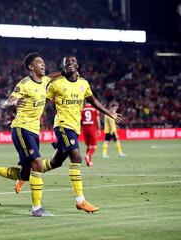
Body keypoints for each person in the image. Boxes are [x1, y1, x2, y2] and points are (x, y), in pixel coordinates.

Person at [16, 55, 122, 213]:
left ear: (77, 65)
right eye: (67, 62)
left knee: (56, 162)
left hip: (75, 128)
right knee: (76, 157)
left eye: (73, 61)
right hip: (62, 126)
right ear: (63, 67)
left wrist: (108, 113)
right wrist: (28, 117)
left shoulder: (83, 84)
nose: (70, 64)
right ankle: (80, 200)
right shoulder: (57, 84)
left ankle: (27, 175)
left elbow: (93, 101)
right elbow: (41, 101)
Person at [0, 52, 54, 217]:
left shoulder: (45, 80)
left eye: (43, 62)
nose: (43, 64)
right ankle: (36, 209)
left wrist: (66, 72)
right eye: (39, 62)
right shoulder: (24, 84)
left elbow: (53, 76)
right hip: (21, 128)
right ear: (31, 67)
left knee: (25, 174)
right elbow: (7, 102)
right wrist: (15, 102)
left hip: (33, 131)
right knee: (37, 165)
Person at [81, 102, 101, 167]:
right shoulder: (94, 109)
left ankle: (89, 162)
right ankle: (87, 156)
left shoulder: (82, 109)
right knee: (94, 147)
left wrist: (80, 128)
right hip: (92, 129)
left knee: (89, 146)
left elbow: (79, 119)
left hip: (85, 129)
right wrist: (99, 129)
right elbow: (98, 120)